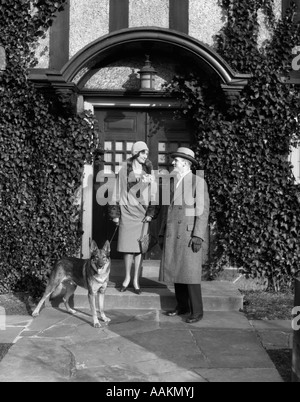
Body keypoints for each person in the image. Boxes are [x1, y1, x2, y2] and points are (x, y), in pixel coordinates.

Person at [158, 147, 210, 324]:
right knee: (176, 272)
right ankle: (182, 306)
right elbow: (167, 210)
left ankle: (197, 311)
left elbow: (203, 211)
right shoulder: (172, 182)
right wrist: (161, 231)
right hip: (173, 232)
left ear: (186, 164)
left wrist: (198, 235)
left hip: (188, 235)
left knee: (190, 275)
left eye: (176, 161)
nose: (173, 163)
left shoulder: (198, 182)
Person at [108, 141, 157, 295]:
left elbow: (154, 194)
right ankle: (126, 278)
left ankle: (136, 280)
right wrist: (115, 214)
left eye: (147, 153)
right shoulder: (123, 170)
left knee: (139, 248)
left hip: (142, 215)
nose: (145, 156)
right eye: (143, 153)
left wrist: (150, 213)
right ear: (136, 153)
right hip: (126, 213)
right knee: (127, 248)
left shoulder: (149, 171)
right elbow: (115, 192)